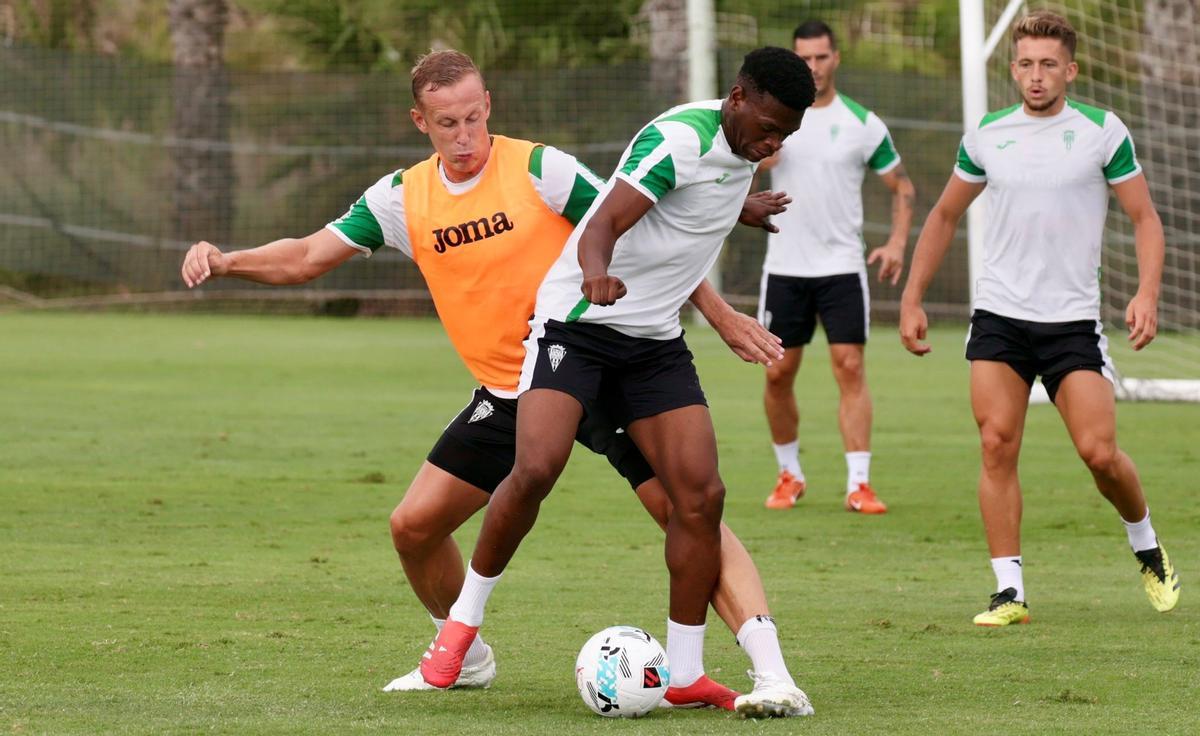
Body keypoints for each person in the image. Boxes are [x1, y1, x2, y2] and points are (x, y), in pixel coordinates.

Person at [179, 50, 800, 701]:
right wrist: (228, 262)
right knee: (413, 526)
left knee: (688, 509)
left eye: (474, 118)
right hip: (511, 390)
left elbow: (644, 225)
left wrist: (721, 311)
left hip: (598, 365)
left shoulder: (541, 169)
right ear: (420, 120)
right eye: (448, 123)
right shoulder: (401, 199)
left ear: (489, 107)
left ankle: (765, 667)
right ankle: (465, 653)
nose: (465, 135)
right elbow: (306, 256)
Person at [422, 48, 817, 718]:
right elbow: (601, 222)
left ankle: (687, 670)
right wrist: (598, 272)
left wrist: (739, 208)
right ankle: (461, 624)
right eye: (768, 127)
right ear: (738, 96)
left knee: (702, 497)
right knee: (538, 465)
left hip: (654, 344)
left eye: (786, 134)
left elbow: (701, 198)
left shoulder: (743, 148)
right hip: (578, 324)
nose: (773, 142)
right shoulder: (676, 140)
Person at [899, 11, 1179, 626]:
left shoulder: (1104, 132)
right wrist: (913, 298)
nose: (1035, 75)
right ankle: (1009, 591)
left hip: (1073, 322)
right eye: (1025, 63)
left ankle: (1147, 545)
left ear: (1070, 70)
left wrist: (1148, 293)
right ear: (1014, 69)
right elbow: (944, 215)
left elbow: (1145, 218)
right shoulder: (988, 135)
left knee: (1099, 453)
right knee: (996, 444)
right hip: (999, 316)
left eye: (1048, 64)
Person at [757, 20, 915, 514]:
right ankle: (790, 474)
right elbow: (737, 167)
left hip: (842, 268)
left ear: (836, 59)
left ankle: (859, 484)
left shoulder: (863, 124)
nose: (813, 67)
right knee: (778, 375)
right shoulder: (774, 119)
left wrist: (895, 244)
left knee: (850, 367)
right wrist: (762, 151)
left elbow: (903, 188)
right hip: (784, 267)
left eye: (821, 57)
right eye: (803, 58)